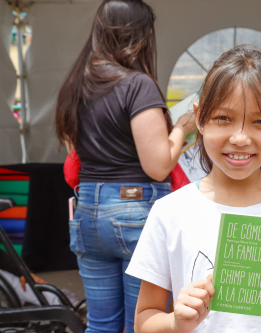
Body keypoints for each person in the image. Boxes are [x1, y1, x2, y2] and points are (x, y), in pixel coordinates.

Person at [126, 44, 261, 333]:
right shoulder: (170, 211)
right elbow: (144, 320)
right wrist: (175, 321)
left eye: (260, 121)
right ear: (200, 119)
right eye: (223, 118)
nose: (241, 137)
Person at [54, 1, 196, 332]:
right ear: (141, 36)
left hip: (88, 209)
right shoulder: (137, 85)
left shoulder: (76, 87)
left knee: (101, 325)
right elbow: (158, 166)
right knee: (141, 324)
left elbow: (74, 152)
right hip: (135, 212)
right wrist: (182, 128)